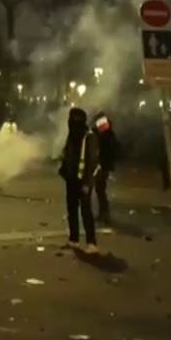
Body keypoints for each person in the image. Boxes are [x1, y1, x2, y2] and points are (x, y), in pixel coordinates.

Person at [59, 108, 100, 254]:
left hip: (83, 182)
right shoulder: (72, 136)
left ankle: (91, 243)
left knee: (86, 211)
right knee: (72, 210)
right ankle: (74, 240)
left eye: (72, 119)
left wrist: (87, 183)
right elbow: (68, 154)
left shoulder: (89, 137)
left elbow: (93, 162)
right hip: (71, 180)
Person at [92, 112, 119, 224]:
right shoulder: (107, 134)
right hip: (103, 165)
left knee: (100, 190)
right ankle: (104, 214)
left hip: (103, 166)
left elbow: (106, 150)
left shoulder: (107, 135)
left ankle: (105, 214)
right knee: (100, 190)